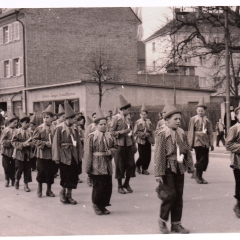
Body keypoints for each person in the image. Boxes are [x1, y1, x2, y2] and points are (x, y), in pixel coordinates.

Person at [154, 102, 194, 234]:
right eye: (175, 119)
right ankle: (162, 219)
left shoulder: (182, 133)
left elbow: (187, 150)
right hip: (167, 168)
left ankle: (176, 224)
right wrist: (158, 173)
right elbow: (159, 154)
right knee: (170, 195)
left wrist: (190, 166)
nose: (178, 121)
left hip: (179, 167)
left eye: (179, 119)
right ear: (166, 120)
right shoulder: (162, 134)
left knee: (178, 196)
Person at [85, 107, 117, 215]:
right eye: (101, 124)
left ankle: (104, 205)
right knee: (99, 186)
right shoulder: (92, 137)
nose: (103, 126)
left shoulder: (110, 136)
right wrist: (88, 169)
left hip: (107, 164)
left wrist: (111, 151)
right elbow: (88, 153)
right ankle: (96, 204)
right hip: (96, 165)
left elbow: (115, 147)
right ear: (96, 125)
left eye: (105, 124)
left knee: (107, 186)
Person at [52, 101, 82, 205]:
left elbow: (78, 143)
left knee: (73, 175)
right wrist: (56, 157)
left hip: (73, 155)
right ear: (68, 119)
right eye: (74, 119)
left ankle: (69, 195)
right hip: (64, 156)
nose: (75, 120)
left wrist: (79, 156)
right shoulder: (59, 129)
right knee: (65, 176)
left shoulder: (75, 128)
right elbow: (55, 144)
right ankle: (62, 193)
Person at [109, 95, 137, 194]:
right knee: (120, 166)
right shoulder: (116, 118)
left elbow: (131, 132)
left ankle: (127, 183)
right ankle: (120, 186)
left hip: (129, 144)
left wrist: (134, 144)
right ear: (123, 110)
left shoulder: (129, 119)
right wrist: (122, 132)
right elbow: (111, 132)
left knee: (131, 165)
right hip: (119, 145)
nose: (129, 112)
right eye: (128, 110)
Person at [188, 97, 214, 184]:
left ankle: (199, 175)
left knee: (205, 160)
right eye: (199, 110)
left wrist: (211, 143)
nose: (200, 112)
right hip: (197, 141)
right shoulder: (193, 119)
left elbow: (210, 132)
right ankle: (198, 176)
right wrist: (190, 144)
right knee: (201, 158)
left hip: (205, 141)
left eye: (202, 110)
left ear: (205, 111)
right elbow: (191, 131)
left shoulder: (207, 120)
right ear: (196, 110)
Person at [32, 104, 56, 198]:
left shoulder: (55, 128)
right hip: (41, 154)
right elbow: (34, 140)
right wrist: (44, 143)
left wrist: (53, 144)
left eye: (47, 117)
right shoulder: (39, 128)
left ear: (52, 118)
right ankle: (39, 188)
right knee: (41, 171)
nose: (45, 119)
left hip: (51, 154)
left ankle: (49, 190)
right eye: (44, 117)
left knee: (51, 172)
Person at [11, 111, 32, 192]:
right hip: (19, 153)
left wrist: (30, 144)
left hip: (28, 153)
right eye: (26, 123)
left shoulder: (30, 132)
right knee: (19, 169)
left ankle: (26, 184)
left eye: (28, 123)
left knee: (27, 169)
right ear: (21, 123)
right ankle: (17, 180)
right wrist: (22, 145)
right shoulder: (16, 131)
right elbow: (13, 142)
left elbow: (33, 141)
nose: (28, 124)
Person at [226, 103, 240, 218]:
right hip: (238, 161)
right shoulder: (234, 128)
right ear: (237, 116)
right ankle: (239, 205)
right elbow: (229, 145)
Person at [134, 103, 155, 175]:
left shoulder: (149, 122)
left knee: (148, 155)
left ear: (147, 115)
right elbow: (135, 132)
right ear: (140, 115)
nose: (144, 115)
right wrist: (143, 134)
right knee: (142, 155)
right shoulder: (138, 122)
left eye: (145, 114)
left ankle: (144, 169)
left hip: (148, 140)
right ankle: (137, 165)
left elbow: (151, 131)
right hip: (141, 141)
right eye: (142, 114)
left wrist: (153, 140)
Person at [0, 112, 18, 187]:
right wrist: (10, 142)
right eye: (14, 123)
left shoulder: (17, 130)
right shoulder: (5, 130)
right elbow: (2, 141)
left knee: (14, 166)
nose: (15, 124)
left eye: (16, 123)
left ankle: (13, 179)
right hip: (6, 151)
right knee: (6, 166)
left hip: (14, 151)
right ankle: (7, 179)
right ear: (10, 123)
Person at [85, 115, 96, 187]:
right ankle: (89, 177)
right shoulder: (90, 127)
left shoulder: (102, 126)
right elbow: (86, 138)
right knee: (90, 162)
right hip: (91, 147)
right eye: (94, 117)